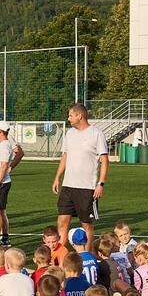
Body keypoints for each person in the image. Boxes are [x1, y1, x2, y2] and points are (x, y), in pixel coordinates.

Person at [52, 103, 108, 253]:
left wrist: (100, 183)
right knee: (62, 222)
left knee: (86, 225)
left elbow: (104, 160)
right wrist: (58, 177)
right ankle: (60, 257)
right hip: (68, 186)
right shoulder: (70, 134)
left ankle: (87, 257)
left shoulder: (96, 134)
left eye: (70, 115)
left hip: (87, 188)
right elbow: (65, 156)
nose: (68, 118)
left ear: (79, 116)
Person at [0, 120, 20, 248]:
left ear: (0, 131)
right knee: (1, 211)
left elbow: (4, 165)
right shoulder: (2, 145)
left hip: (0, 183)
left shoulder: (5, 146)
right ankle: (5, 238)